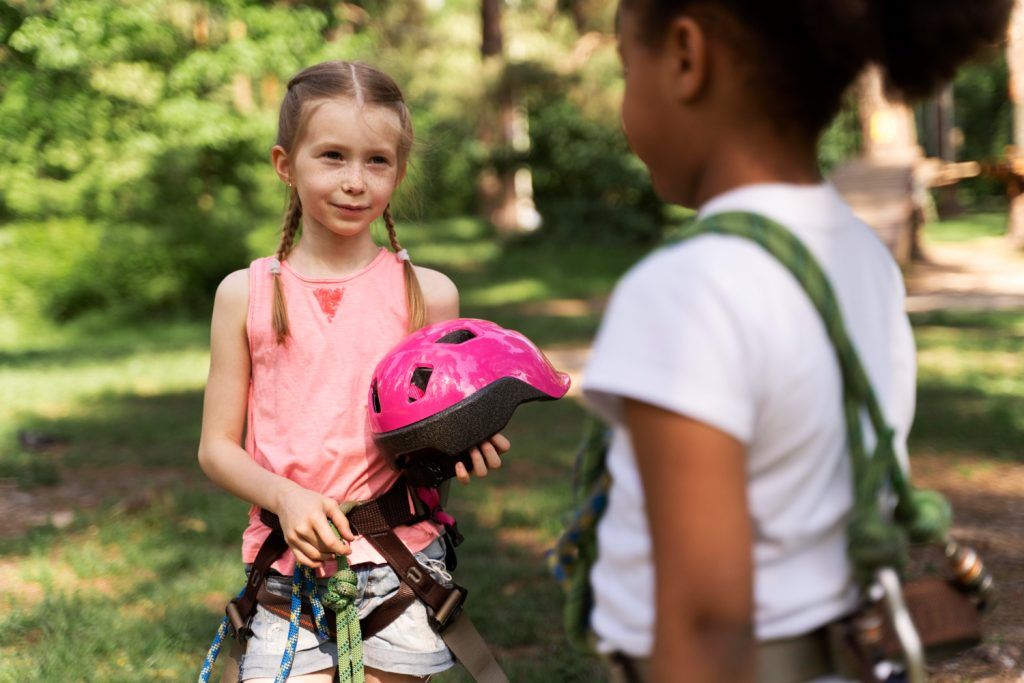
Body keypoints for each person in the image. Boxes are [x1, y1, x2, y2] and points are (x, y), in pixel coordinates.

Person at [580, 2, 1013, 682]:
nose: (624, 100)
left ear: (687, 58)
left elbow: (705, 623)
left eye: (627, 67)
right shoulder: (860, 255)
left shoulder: (688, 286)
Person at [197, 60, 509, 683]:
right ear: (285, 164)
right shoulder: (246, 294)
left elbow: (430, 436)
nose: (354, 182)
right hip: (286, 573)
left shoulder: (429, 295)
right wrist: (285, 497)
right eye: (332, 156)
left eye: (377, 161)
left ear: (399, 171)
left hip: (402, 564)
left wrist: (463, 446)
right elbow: (215, 449)